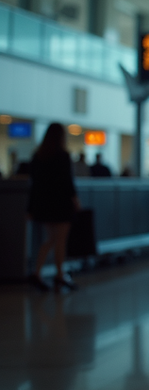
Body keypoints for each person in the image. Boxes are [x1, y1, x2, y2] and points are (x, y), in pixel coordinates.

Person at [26, 123, 79, 291]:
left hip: (44, 205)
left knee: (50, 239)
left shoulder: (38, 156)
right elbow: (68, 183)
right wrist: (76, 201)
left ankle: (38, 272)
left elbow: (34, 185)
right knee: (60, 240)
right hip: (61, 204)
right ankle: (59, 275)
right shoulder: (63, 156)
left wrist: (30, 208)